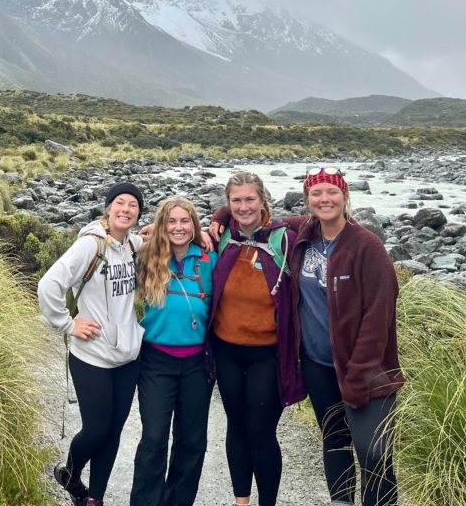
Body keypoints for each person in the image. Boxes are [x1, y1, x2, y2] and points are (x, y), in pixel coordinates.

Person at [210, 167, 403, 506]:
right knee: (335, 439)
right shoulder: (305, 231)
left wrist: (359, 373)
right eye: (316, 194)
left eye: (332, 192)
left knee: (373, 452)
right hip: (318, 363)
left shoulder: (366, 246)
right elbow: (253, 214)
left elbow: (379, 316)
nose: (324, 199)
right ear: (308, 200)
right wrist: (224, 212)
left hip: (366, 370)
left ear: (346, 197)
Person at [38, 183, 147, 506]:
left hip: (127, 358)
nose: (126, 209)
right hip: (92, 357)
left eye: (133, 205)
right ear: (108, 208)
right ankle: (70, 473)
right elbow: (49, 285)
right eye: (120, 203)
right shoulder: (91, 245)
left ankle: (94, 498)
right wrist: (68, 324)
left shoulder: (130, 244)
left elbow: (148, 239)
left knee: (113, 432)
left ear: (139, 213)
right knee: (96, 430)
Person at [205, 172, 303, 506]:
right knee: (236, 425)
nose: (244, 206)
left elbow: (322, 218)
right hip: (227, 348)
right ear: (227, 203)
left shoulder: (284, 238)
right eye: (236, 201)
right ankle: (241, 501)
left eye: (250, 199)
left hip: (269, 352)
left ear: (262, 200)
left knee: (261, 429)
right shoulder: (221, 238)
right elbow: (170, 238)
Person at [130, 197, 218, 506]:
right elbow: (112, 246)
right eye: (171, 221)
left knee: (191, 441)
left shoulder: (209, 258)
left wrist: (212, 226)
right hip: (155, 361)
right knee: (154, 439)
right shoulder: (146, 255)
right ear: (162, 225)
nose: (178, 228)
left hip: (198, 362)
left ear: (194, 225)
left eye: (185, 221)